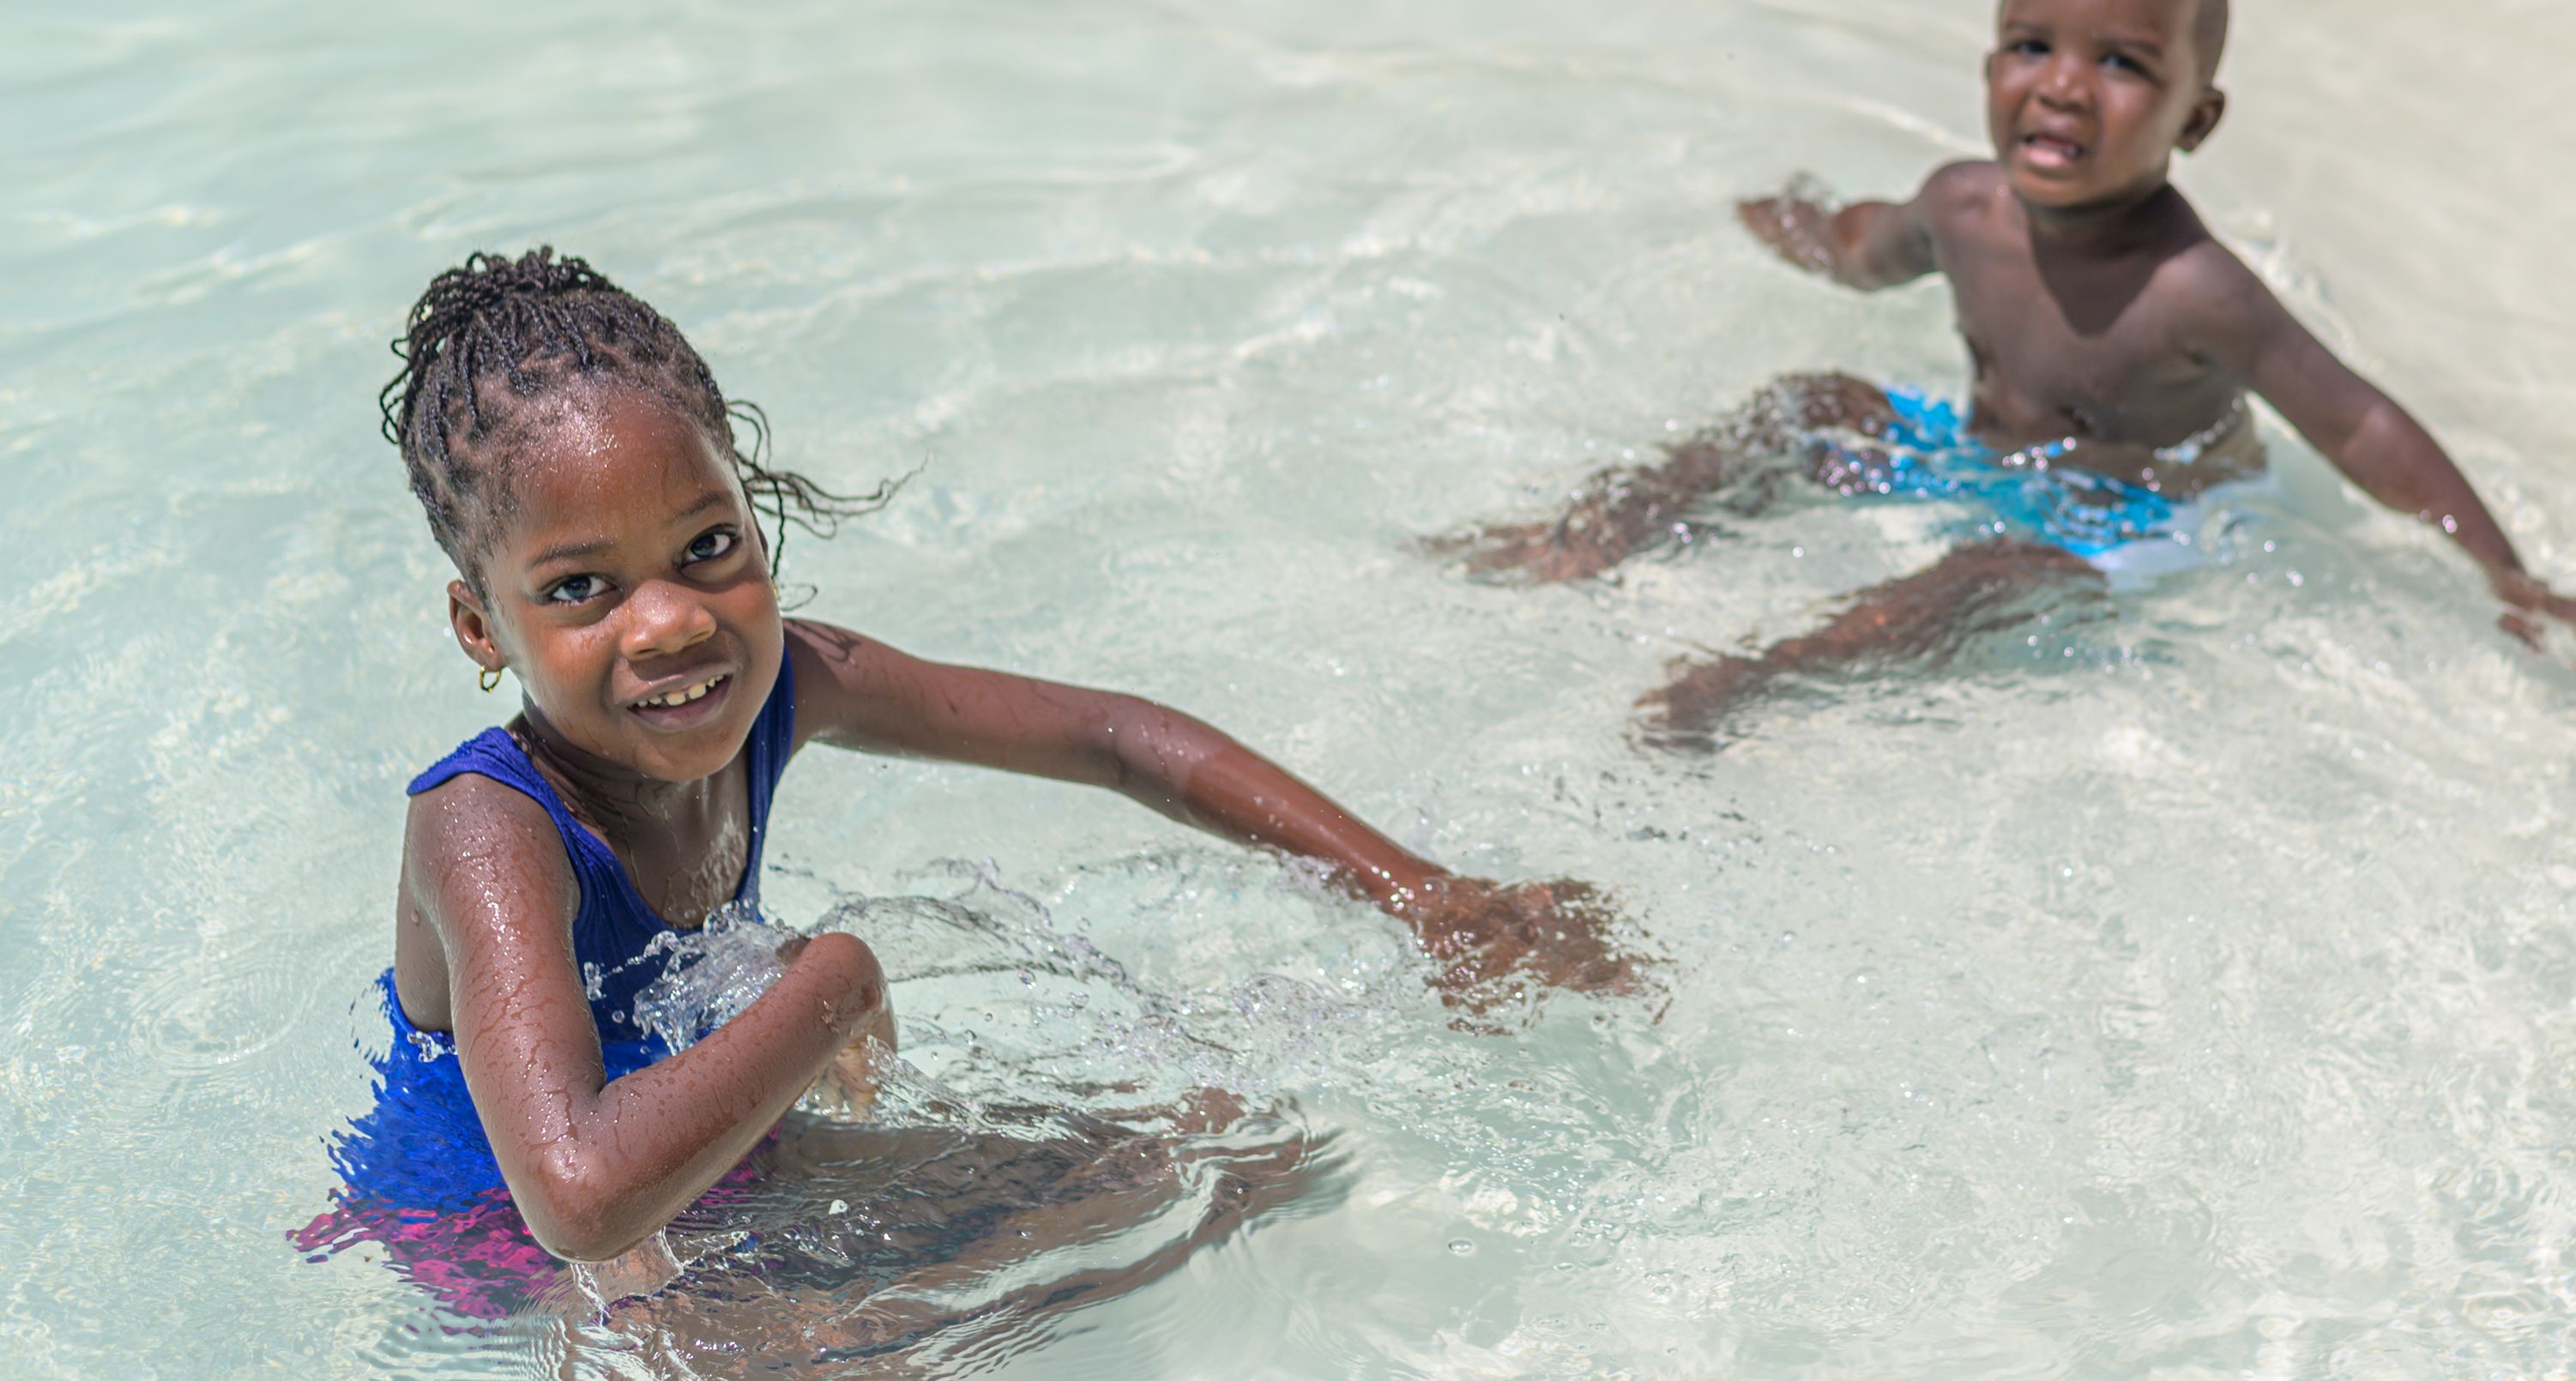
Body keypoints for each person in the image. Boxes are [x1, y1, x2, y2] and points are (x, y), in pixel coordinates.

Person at [313, 249, 1634, 1313]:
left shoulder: (784, 684)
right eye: (581, 588)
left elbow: (1111, 738)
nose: (671, 622)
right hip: (498, 1232)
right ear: (483, 629)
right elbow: (579, 1192)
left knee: (1224, 1163)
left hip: (712, 1149)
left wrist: (1423, 894)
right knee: (830, 1355)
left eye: (709, 544)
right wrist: (832, 986)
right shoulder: (487, 829)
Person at [1435, 0, 2576, 739]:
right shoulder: (1961, 207)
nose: (2061, 84)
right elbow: (1855, 253)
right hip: (1983, 454)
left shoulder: (2195, 289)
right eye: (2032, 46)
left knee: (1997, 570)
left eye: (2124, 63)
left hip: (2131, 521)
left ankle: (1760, 683)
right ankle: (1583, 538)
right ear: (1990, 61)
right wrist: (1787, 217)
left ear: (2198, 119)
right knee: (1813, 404)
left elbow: (2357, 427)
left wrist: (2506, 573)